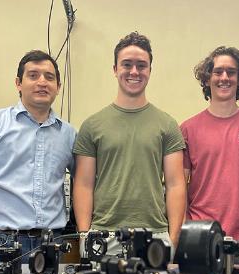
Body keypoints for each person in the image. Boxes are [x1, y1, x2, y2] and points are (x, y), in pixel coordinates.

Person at [0, 50, 76, 260]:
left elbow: (84, 184)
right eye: (33, 75)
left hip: (50, 245)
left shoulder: (69, 134)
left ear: (58, 87)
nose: (42, 82)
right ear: (18, 83)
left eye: (49, 77)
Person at [73, 32, 186, 256]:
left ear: (150, 71)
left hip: (155, 237)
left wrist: (173, 239)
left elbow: (175, 184)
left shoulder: (167, 125)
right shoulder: (92, 126)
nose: (134, 71)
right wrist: (86, 236)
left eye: (141, 65)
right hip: (104, 237)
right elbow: (83, 184)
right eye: (127, 64)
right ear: (115, 69)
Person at [181, 46, 239, 241]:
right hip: (201, 235)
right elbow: (179, 187)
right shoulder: (187, 129)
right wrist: (182, 230)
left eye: (231, 72)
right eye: (217, 71)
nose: (224, 77)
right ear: (207, 78)